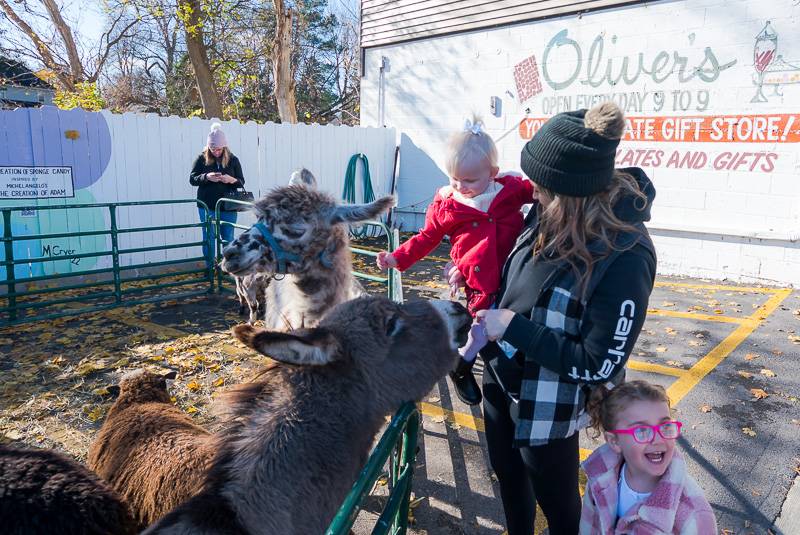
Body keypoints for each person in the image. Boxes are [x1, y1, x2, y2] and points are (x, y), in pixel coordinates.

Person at [452, 101, 658, 534]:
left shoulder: (626, 254)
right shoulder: (549, 209)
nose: (532, 189)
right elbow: (520, 278)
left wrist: (512, 326)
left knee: (560, 505)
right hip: (499, 375)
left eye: (542, 184)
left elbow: (600, 362)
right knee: (509, 481)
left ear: (573, 191)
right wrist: (472, 270)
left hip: (549, 401)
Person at [376, 116, 534, 406]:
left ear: (493, 173)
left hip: (515, 273)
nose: (461, 186)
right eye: (454, 178)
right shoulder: (448, 205)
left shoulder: (509, 190)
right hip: (479, 279)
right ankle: (462, 364)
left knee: (513, 323)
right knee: (482, 323)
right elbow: (426, 238)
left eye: (470, 180)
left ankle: (497, 366)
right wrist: (396, 258)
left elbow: (540, 190)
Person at [581, 380, 717, 533]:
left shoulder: (694, 512)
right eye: (641, 430)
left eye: (665, 426)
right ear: (614, 441)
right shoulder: (599, 479)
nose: (658, 439)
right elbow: (588, 527)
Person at [189, 122, 245, 262]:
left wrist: (231, 180)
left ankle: (228, 267)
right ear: (209, 147)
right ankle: (210, 267)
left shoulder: (233, 160)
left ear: (224, 147)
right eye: (213, 148)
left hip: (228, 207)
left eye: (219, 149)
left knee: (228, 238)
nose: (216, 152)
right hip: (207, 206)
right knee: (209, 237)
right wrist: (206, 177)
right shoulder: (202, 159)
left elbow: (241, 181)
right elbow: (192, 179)